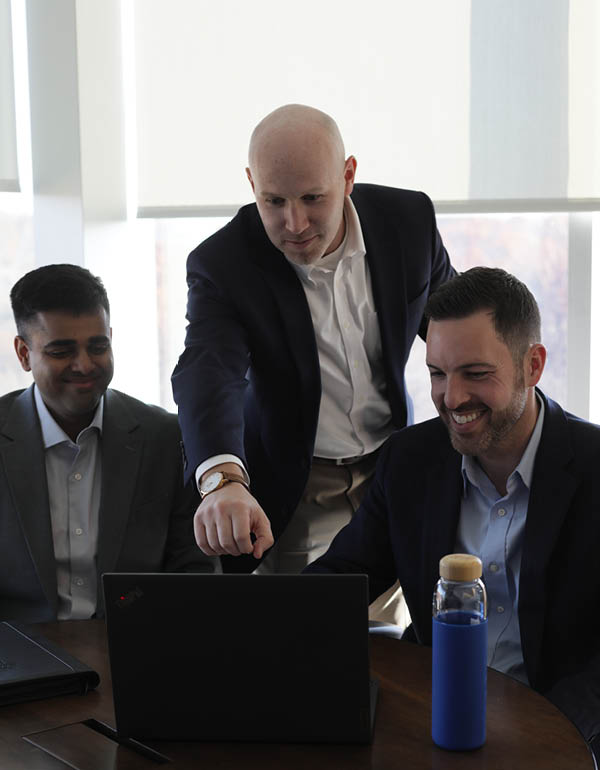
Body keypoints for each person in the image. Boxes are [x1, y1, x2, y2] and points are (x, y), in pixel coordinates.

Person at [172, 103, 454, 623]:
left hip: (391, 469)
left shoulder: (409, 221)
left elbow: (454, 327)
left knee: (396, 647)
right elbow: (209, 371)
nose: (293, 223)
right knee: (302, 641)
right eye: (273, 200)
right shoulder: (224, 262)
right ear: (251, 182)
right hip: (300, 486)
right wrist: (222, 480)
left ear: (348, 176)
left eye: (312, 199)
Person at [305, 266, 600, 758]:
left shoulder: (595, 469)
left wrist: (544, 735)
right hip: (434, 723)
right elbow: (342, 579)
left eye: (476, 374)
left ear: (533, 365)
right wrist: (255, 625)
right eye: (437, 374)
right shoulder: (409, 460)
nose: (452, 398)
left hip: (563, 733)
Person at [0, 264, 217, 623]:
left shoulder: (165, 437)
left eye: (98, 346)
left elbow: (195, 571)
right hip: (20, 657)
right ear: (24, 354)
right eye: (61, 351)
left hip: (140, 644)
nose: (84, 365)